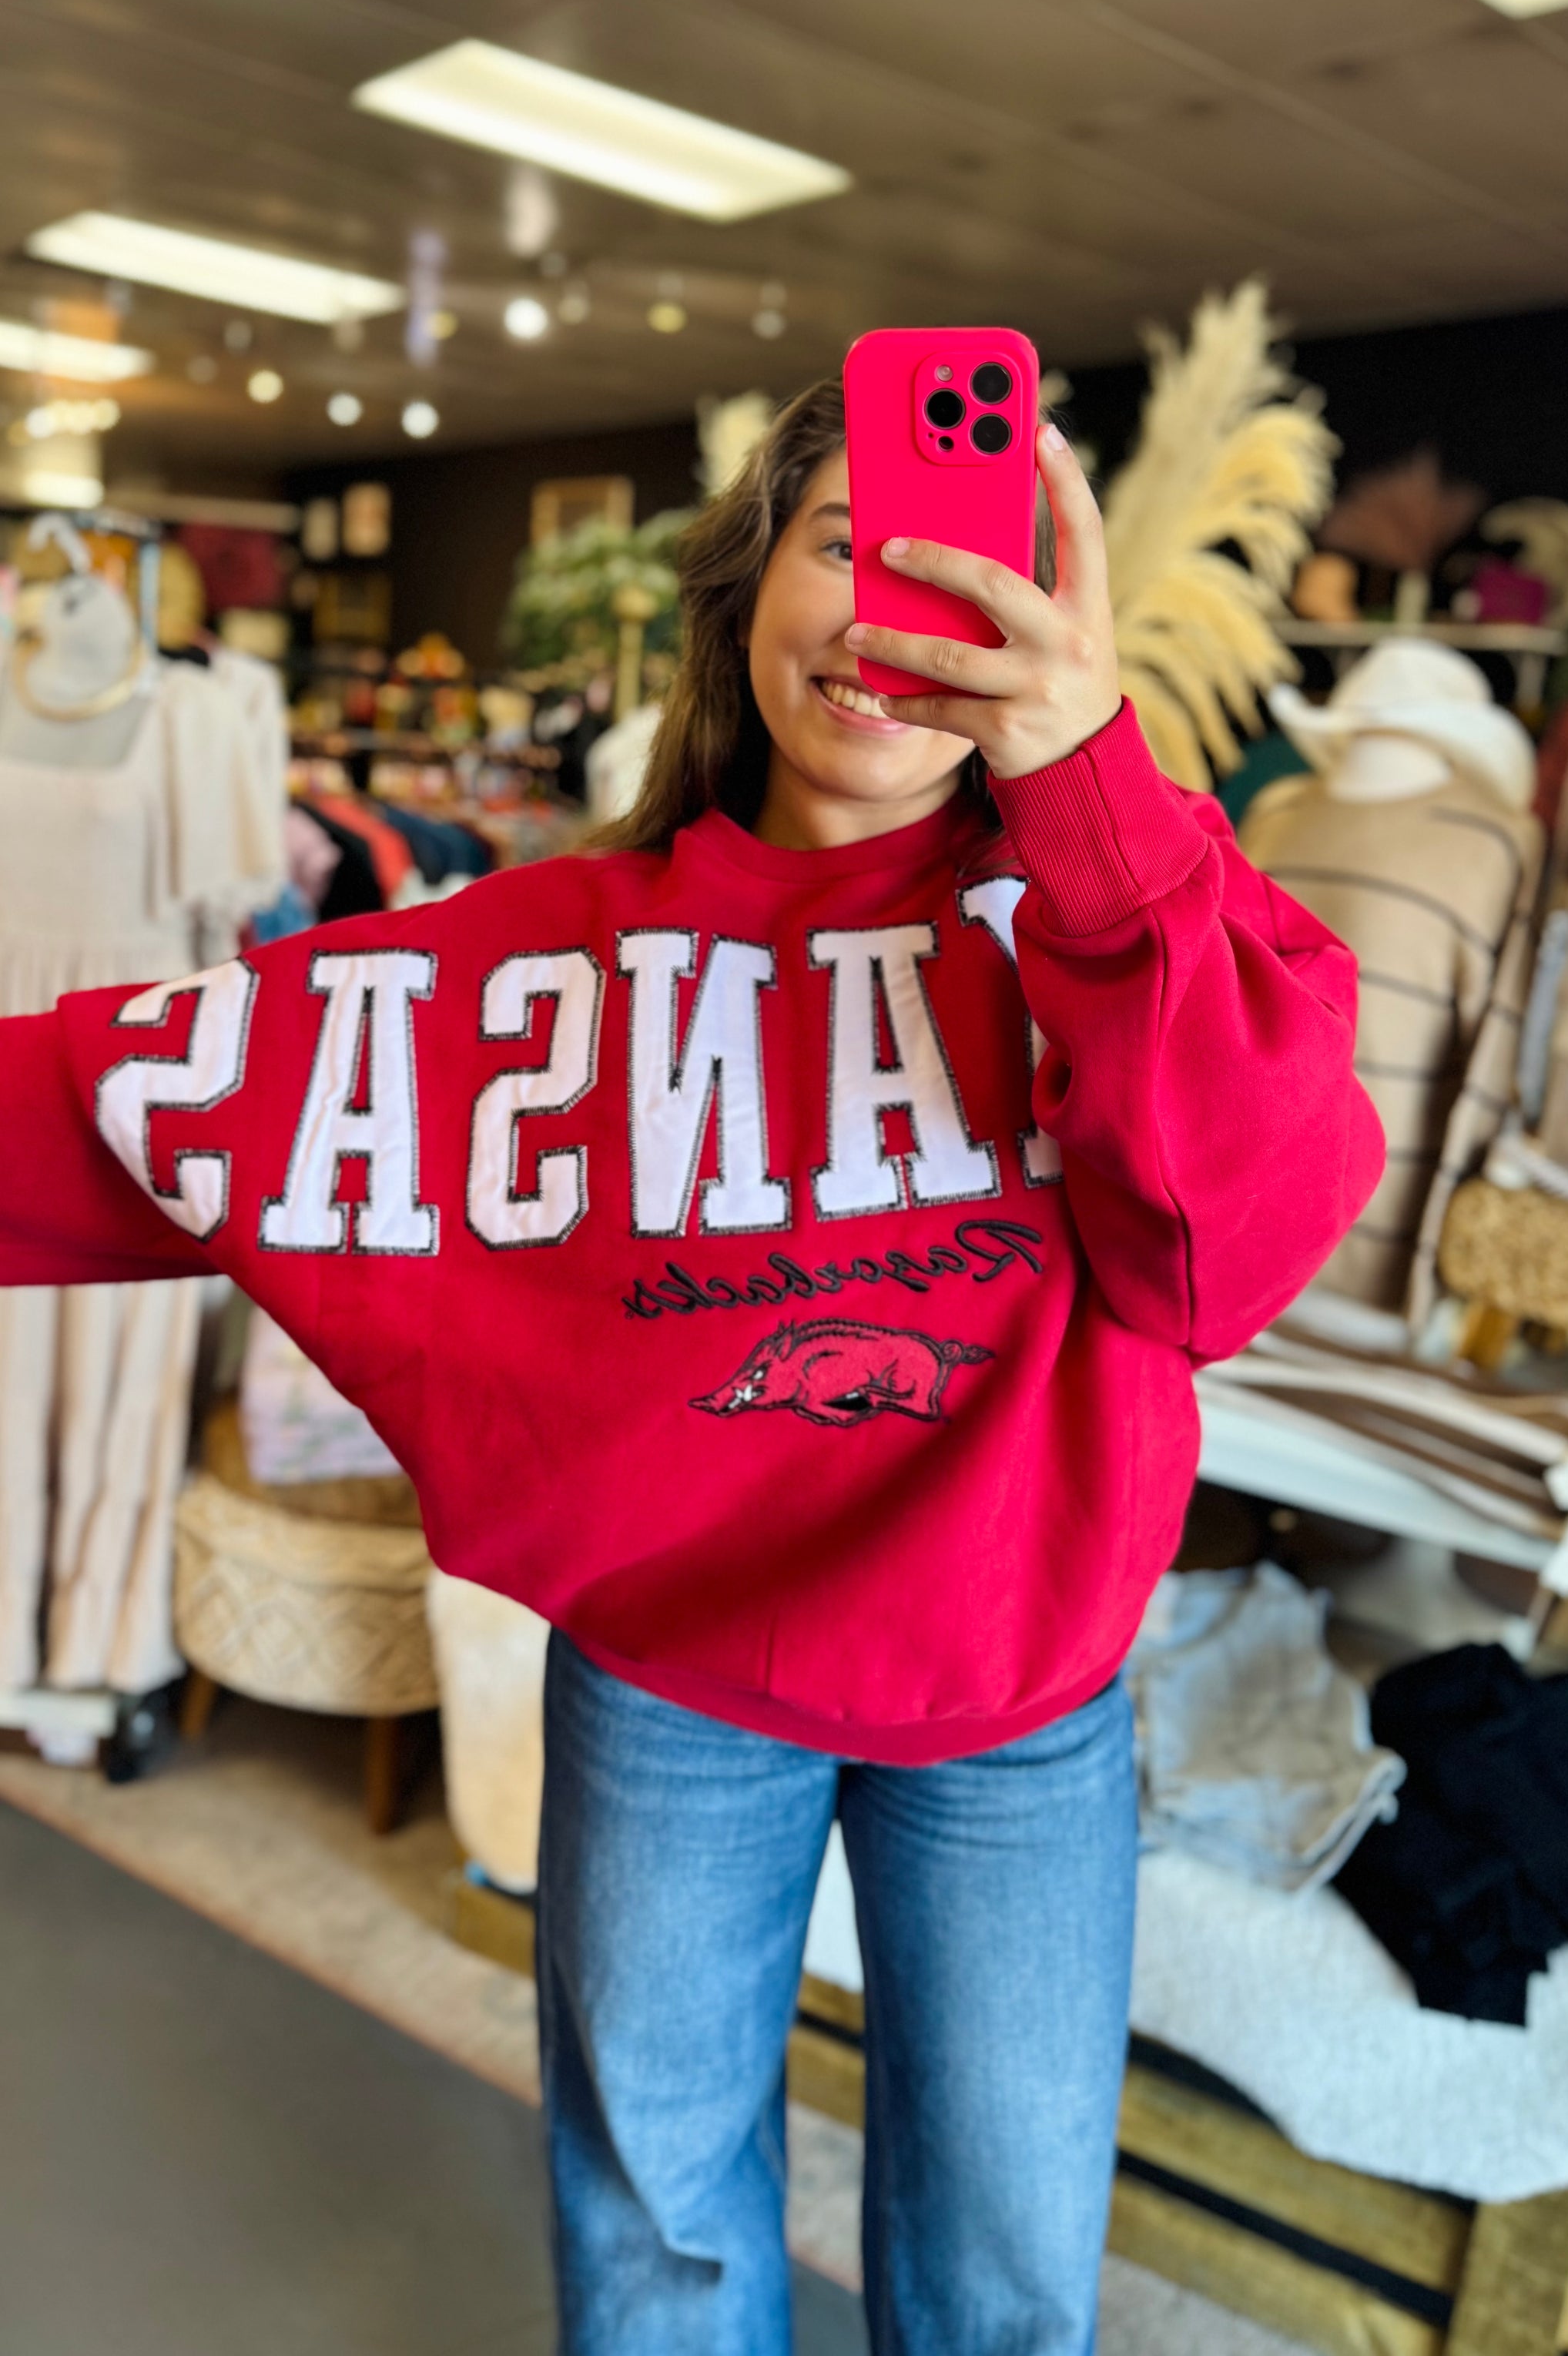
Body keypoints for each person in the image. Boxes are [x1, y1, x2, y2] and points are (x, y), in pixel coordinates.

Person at [0, 380, 1382, 2354]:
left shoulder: (1122, 909)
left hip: (1017, 1690)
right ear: (744, 597)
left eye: (952, 564)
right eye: (842, 544)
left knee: (1001, 2271)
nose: (891, 608)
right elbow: (150, 1089)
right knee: (656, 2239)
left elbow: (1226, 1240)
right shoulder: (547, 956)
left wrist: (1085, 782)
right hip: (676, 1697)